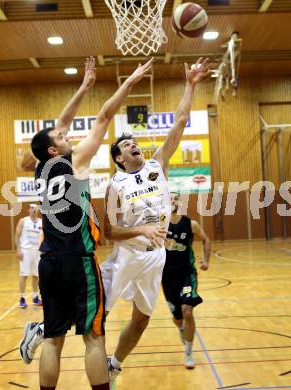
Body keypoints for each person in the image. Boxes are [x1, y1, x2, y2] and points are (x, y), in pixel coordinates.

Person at [19, 56, 154, 390]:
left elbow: (56, 129)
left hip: (48, 261)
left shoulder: (41, 167)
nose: (69, 135)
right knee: (93, 339)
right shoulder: (74, 161)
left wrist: (83, 87)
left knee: (53, 340)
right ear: (55, 149)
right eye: (63, 137)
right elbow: (105, 116)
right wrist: (130, 82)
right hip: (78, 262)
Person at [101, 58, 212, 383]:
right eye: (125, 145)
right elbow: (110, 232)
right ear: (119, 159)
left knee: (141, 319)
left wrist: (190, 84)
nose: (133, 144)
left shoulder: (156, 165)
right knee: (98, 314)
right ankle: (45, 330)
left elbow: (179, 121)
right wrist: (142, 229)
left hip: (156, 258)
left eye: (133, 141)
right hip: (129, 255)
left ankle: (114, 363)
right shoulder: (115, 185)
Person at [162, 192, 210, 369]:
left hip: (187, 275)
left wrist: (206, 261)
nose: (173, 201)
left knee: (187, 310)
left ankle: (189, 353)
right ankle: (181, 329)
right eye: (170, 198)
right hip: (167, 277)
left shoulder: (191, 224)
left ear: (179, 203)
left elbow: (206, 240)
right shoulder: (160, 225)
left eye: (175, 199)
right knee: (177, 317)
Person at [15, 203, 42, 308]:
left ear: (38, 211)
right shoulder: (23, 221)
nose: (34, 210)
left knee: (36, 275)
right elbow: (17, 236)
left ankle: (35, 297)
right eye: (32, 208)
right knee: (24, 275)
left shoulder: (41, 222)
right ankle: (22, 298)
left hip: (37, 252)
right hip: (25, 251)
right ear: (28, 210)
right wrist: (18, 250)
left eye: (36, 208)